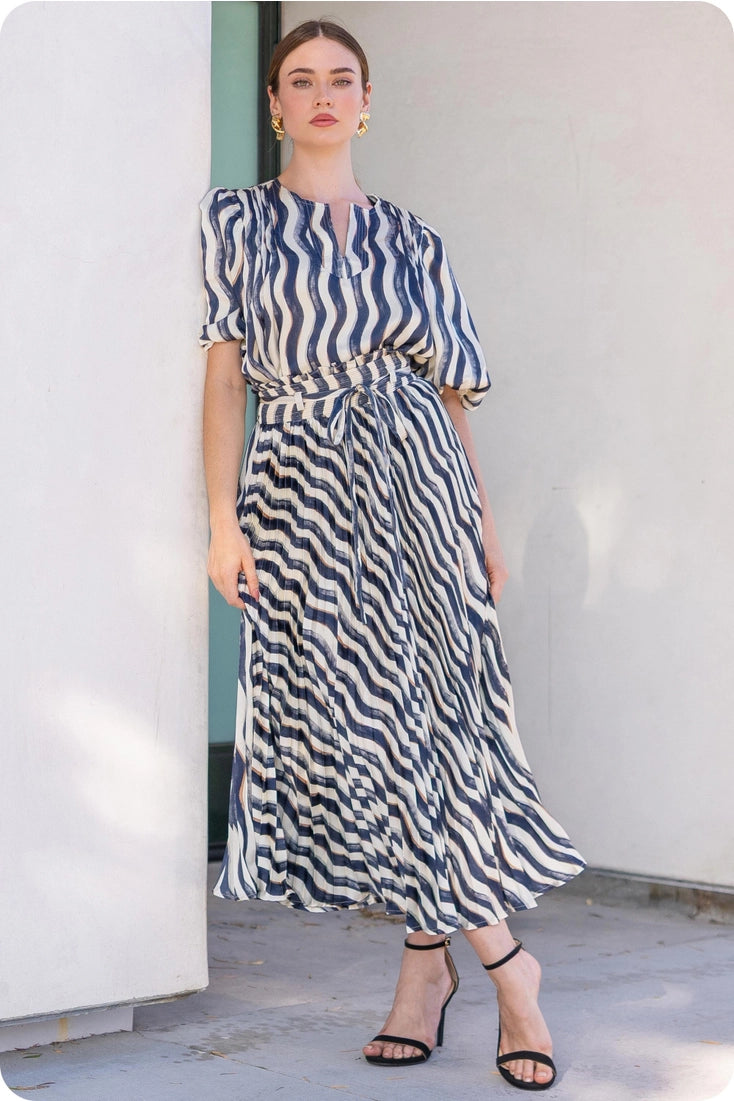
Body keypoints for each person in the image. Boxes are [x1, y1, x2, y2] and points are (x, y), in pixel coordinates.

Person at [198, 19, 585, 1091]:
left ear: (366, 104)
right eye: (298, 81)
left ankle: (429, 970)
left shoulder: (412, 238)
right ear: (273, 106)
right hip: (302, 492)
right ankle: (508, 968)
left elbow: (448, 394)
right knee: (365, 734)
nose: (320, 96)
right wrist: (221, 522)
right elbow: (225, 379)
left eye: (340, 81)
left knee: (437, 731)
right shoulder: (237, 222)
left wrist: (485, 525)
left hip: (420, 485)